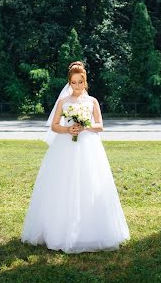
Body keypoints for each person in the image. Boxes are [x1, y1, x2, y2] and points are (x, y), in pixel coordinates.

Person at [20, 61, 130, 254]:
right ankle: (58, 231)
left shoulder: (92, 101)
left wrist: (85, 126)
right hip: (65, 147)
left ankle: (90, 232)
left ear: (85, 82)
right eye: (73, 82)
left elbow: (100, 126)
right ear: (69, 83)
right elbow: (54, 126)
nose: (77, 86)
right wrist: (68, 129)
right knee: (63, 184)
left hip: (89, 147)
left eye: (80, 82)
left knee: (90, 183)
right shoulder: (63, 102)